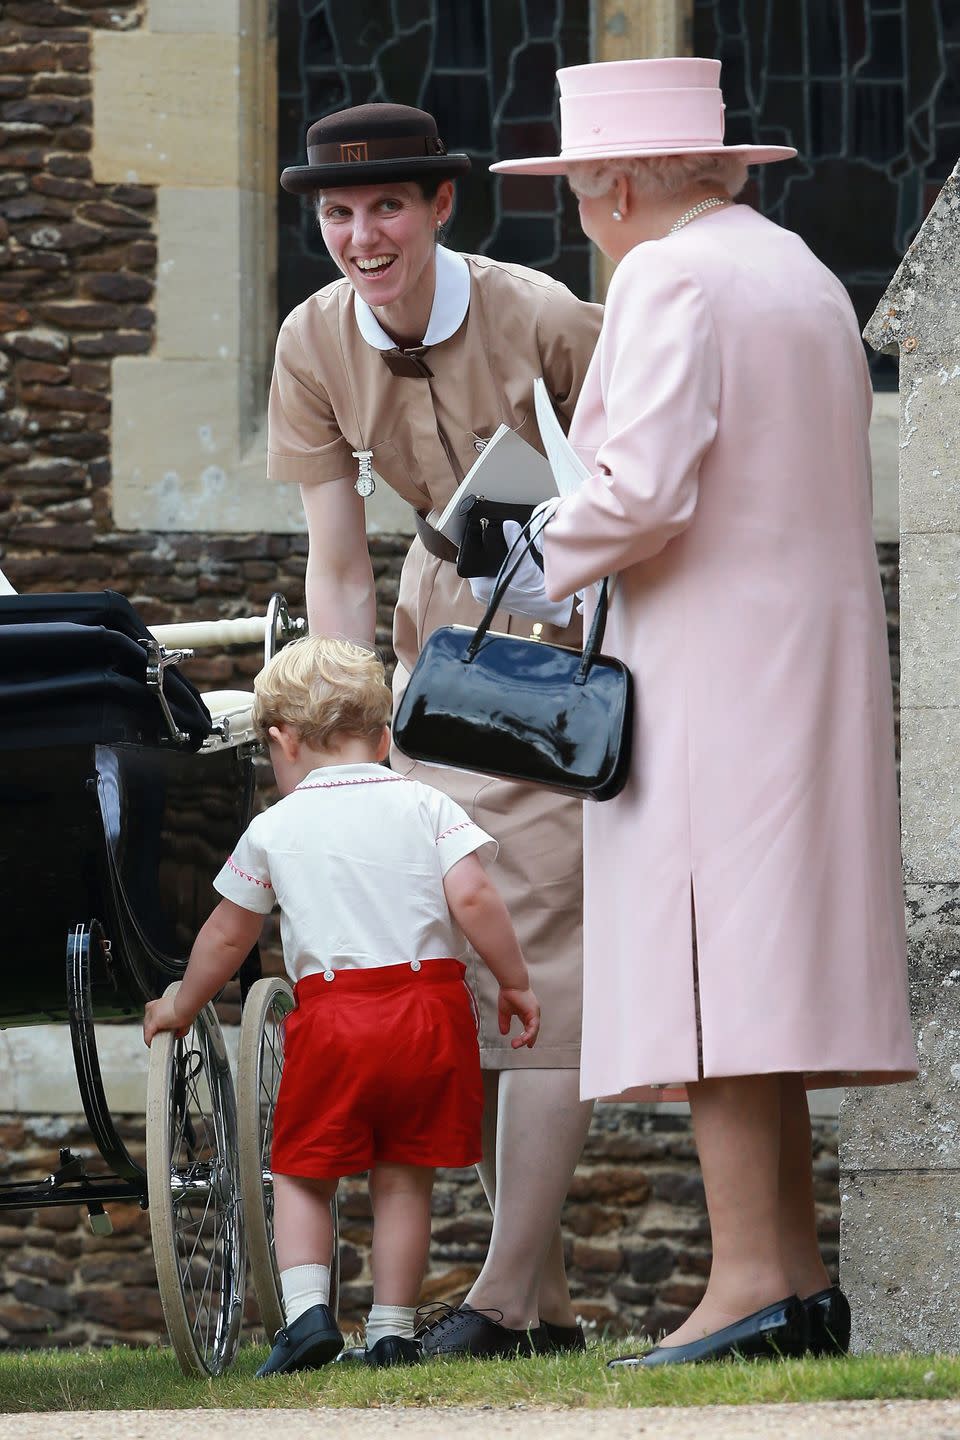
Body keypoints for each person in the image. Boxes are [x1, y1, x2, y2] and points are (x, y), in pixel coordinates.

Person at [483, 57, 918, 1366]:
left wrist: (507, 541)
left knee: (714, 975)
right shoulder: (791, 270)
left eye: (578, 191)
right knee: (760, 971)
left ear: (618, 183)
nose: (579, 218)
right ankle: (790, 1278)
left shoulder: (668, 276)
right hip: (807, 664)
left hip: (715, 670)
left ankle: (742, 1286)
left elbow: (641, 490)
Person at [268, 101, 604, 1357]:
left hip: (567, 630)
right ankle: (547, 1301)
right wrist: (351, 726)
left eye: (388, 208)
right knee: (451, 950)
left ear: (442, 205)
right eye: (339, 214)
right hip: (431, 639)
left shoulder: (545, 315)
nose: (362, 235)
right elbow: (339, 560)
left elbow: (653, 478)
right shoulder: (312, 338)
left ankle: (508, 1298)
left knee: (543, 953)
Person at [142, 636, 540, 1372]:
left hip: (336, 1015)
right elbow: (476, 896)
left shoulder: (275, 827)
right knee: (404, 1173)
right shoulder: (425, 803)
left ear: (281, 739)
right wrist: (513, 980)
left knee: (301, 1168)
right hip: (430, 1009)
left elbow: (229, 935)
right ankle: (391, 1332)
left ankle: (307, 1316)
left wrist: (179, 1003)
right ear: (384, 737)